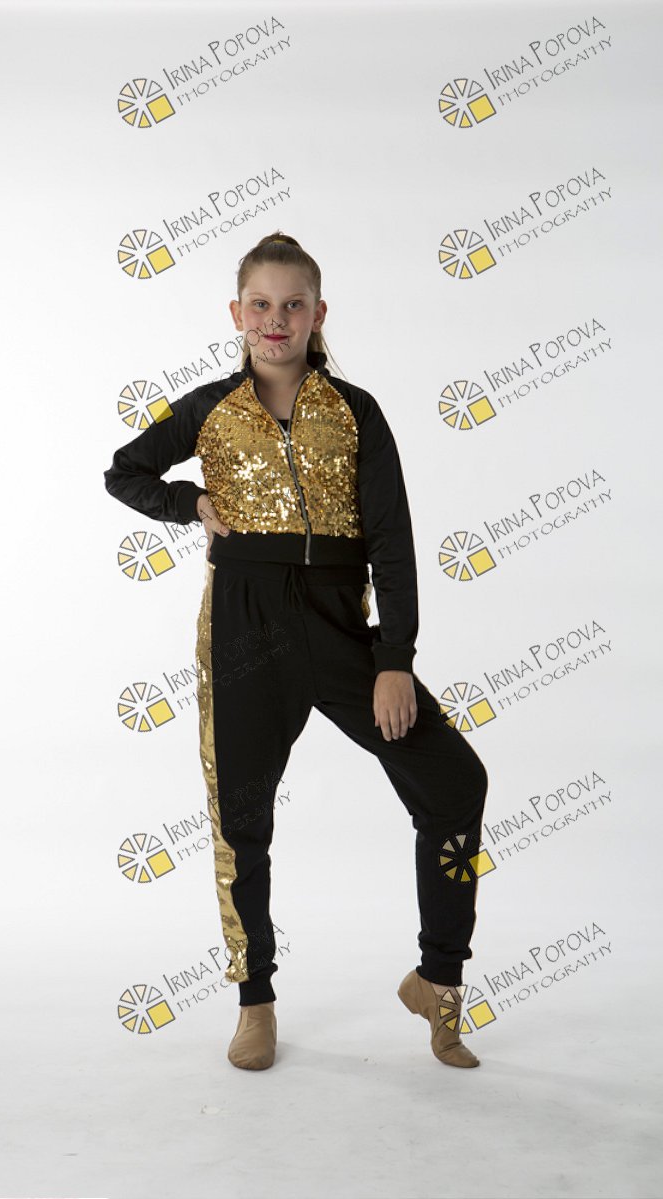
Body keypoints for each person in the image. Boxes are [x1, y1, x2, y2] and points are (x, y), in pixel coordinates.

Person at [103, 231, 489, 1072]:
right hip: (244, 628)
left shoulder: (356, 411)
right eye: (260, 304)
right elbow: (124, 470)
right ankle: (256, 1000)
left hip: (340, 627)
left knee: (456, 784)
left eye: (293, 305)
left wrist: (395, 657)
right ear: (236, 313)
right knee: (242, 820)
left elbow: (392, 541)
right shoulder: (207, 408)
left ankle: (438, 978)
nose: (275, 320)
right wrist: (190, 502)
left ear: (318, 314)